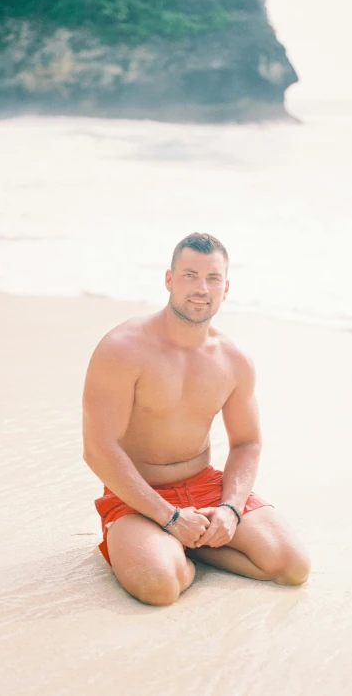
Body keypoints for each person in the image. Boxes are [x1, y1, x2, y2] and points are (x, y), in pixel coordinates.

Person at [83, 233, 310, 605]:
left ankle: (195, 545)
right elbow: (98, 449)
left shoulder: (233, 359)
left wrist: (230, 509)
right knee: (159, 588)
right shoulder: (123, 349)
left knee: (292, 567)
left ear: (226, 287)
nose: (201, 288)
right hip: (138, 493)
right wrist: (170, 518)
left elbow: (247, 443)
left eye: (212, 278)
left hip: (206, 488)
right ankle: (170, 547)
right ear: (169, 280)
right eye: (189, 275)